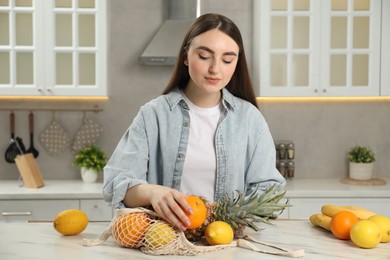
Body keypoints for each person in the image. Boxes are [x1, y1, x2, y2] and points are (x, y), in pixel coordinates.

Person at [103, 13, 285, 231]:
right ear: (186, 56)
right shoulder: (154, 114)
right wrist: (153, 193)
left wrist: (228, 213)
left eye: (227, 59)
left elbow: (272, 193)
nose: (215, 69)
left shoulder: (249, 119)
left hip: (224, 243)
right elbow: (116, 183)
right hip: (165, 242)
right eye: (204, 56)